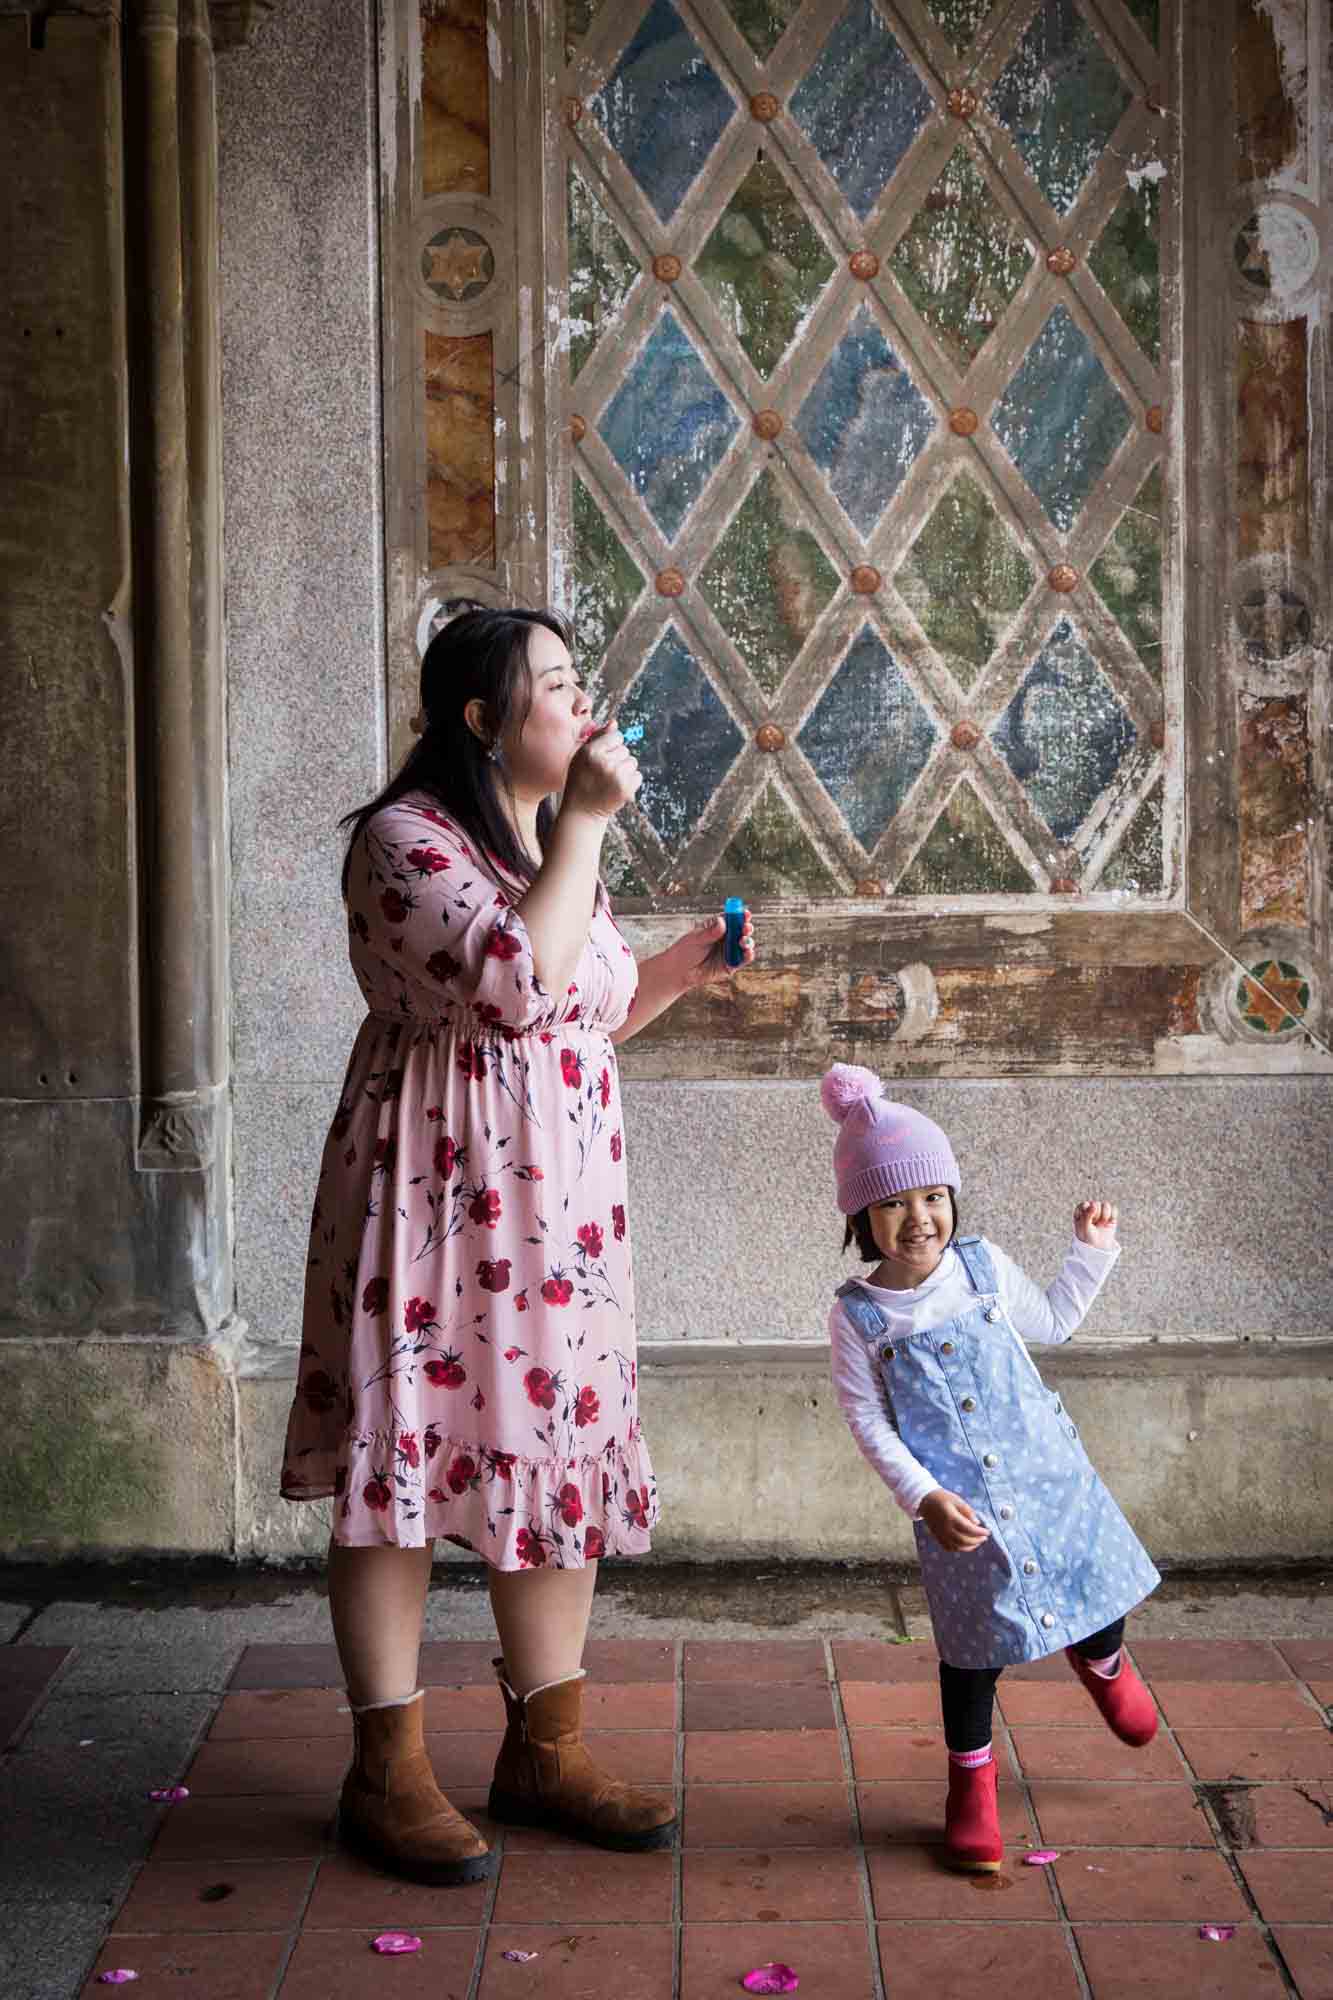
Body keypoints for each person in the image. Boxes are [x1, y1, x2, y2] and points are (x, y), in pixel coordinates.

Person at [280, 603, 754, 1885]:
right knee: (403, 1461)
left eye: (579, 679)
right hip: (433, 1201)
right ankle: (385, 1770)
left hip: (559, 1223)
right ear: (485, 721)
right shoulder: (403, 841)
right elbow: (508, 984)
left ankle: (544, 1746)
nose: (583, 704)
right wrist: (591, 822)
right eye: (556, 685)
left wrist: (671, 970)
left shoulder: (537, 841)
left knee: (554, 1466)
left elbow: (579, 1009)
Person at [822, 1063, 1160, 1873]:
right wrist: (925, 1495)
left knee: (1090, 1583)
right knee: (974, 1651)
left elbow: (1050, 1323)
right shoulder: (859, 1315)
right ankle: (969, 1782)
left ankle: (1101, 1658)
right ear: (860, 1217)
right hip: (960, 1513)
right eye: (893, 1203)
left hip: (1050, 1480)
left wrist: (1090, 1253)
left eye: (931, 1196)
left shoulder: (980, 1268)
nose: (917, 1219)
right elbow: (867, 1420)